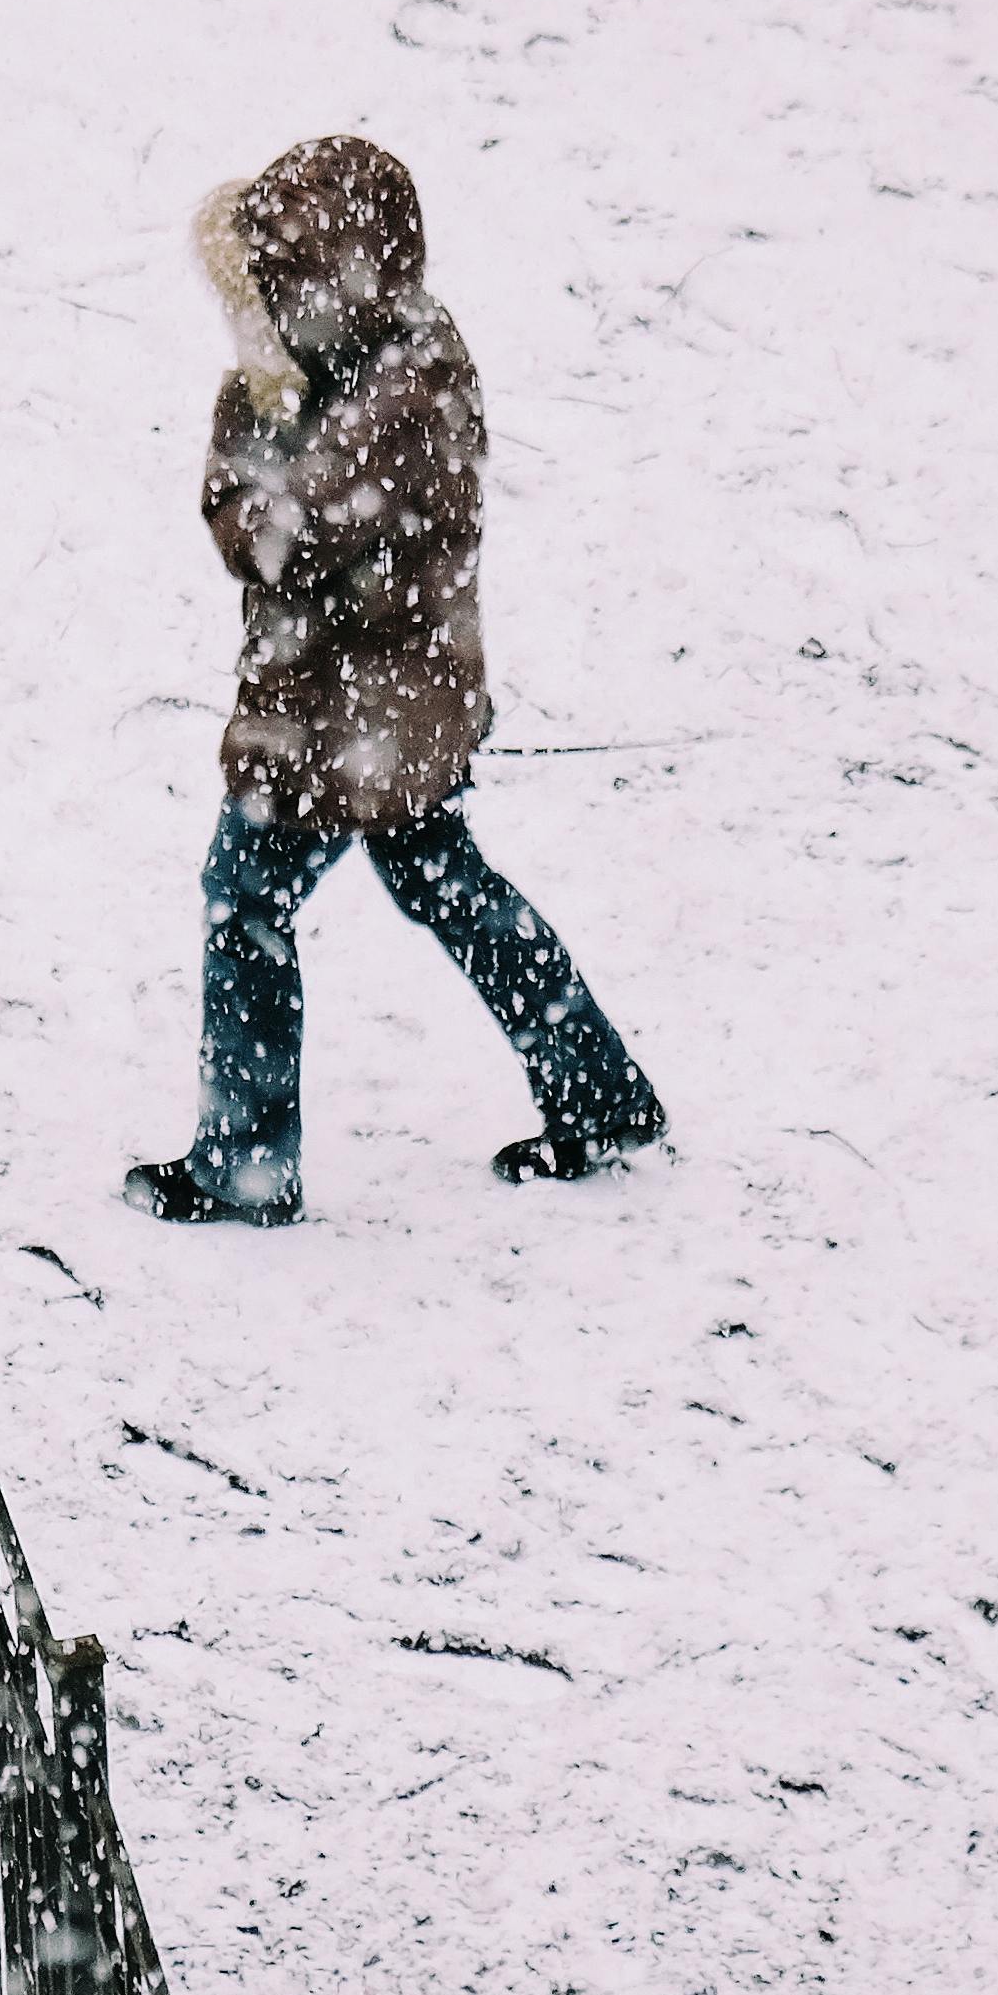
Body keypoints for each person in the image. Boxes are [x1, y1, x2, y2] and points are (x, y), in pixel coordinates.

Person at [124, 135, 667, 1228]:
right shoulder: (386, 348)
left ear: (328, 276)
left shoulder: (402, 388)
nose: (262, 306)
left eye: (275, 283)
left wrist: (258, 401)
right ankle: (598, 1093)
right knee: (444, 887)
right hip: (378, 709)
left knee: (248, 898)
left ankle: (246, 1164)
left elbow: (277, 537)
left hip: (347, 716)